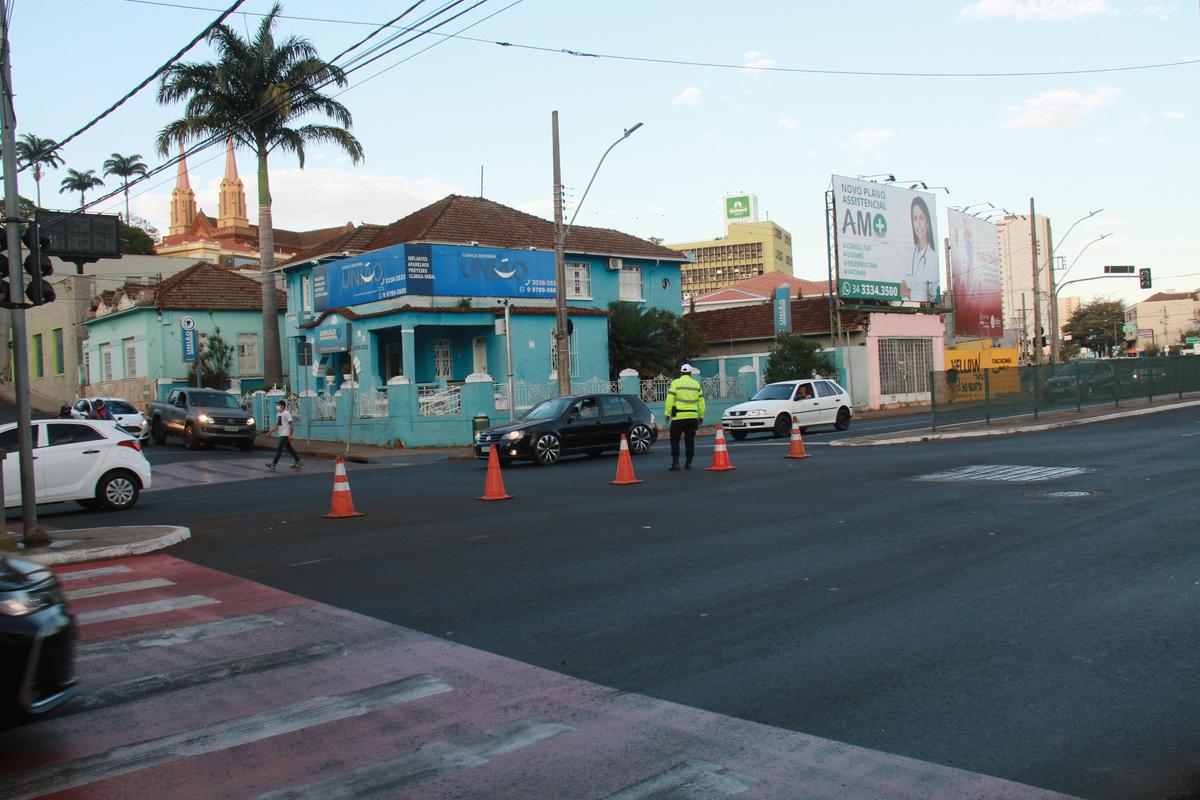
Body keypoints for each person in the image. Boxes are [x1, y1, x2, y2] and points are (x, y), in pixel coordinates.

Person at [664, 363, 705, 471]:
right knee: (689, 440)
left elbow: (670, 399)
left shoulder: (676, 383)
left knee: (674, 440)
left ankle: (676, 463)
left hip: (678, 417)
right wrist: (701, 416)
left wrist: (667, 413)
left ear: (681, 372)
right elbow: (701, 402)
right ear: (690, 373)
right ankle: (689, 462)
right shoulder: (696, 384)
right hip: (692, 417)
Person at [902, 196, 938, 303]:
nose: (918, 223)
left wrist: (909, 292)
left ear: (928, 222)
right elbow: (901, 288)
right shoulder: (910, 253)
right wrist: (912, 292)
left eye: (922, 218)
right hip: (907, 308)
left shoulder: (933, 256)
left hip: (925, 310)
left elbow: (931, 294)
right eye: (915, 218)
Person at [266, 399, 302, 470]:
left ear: (282, 406)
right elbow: (278, 425)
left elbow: (291, 424)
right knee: (290, 449)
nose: (277, 406)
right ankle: (298, 461)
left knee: (279, 449)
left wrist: (291, 435)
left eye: (278, 405)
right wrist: (270, 432)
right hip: (281, 434)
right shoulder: (279, 414)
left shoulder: (286, 413)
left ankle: (273, 464)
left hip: (285, 435)